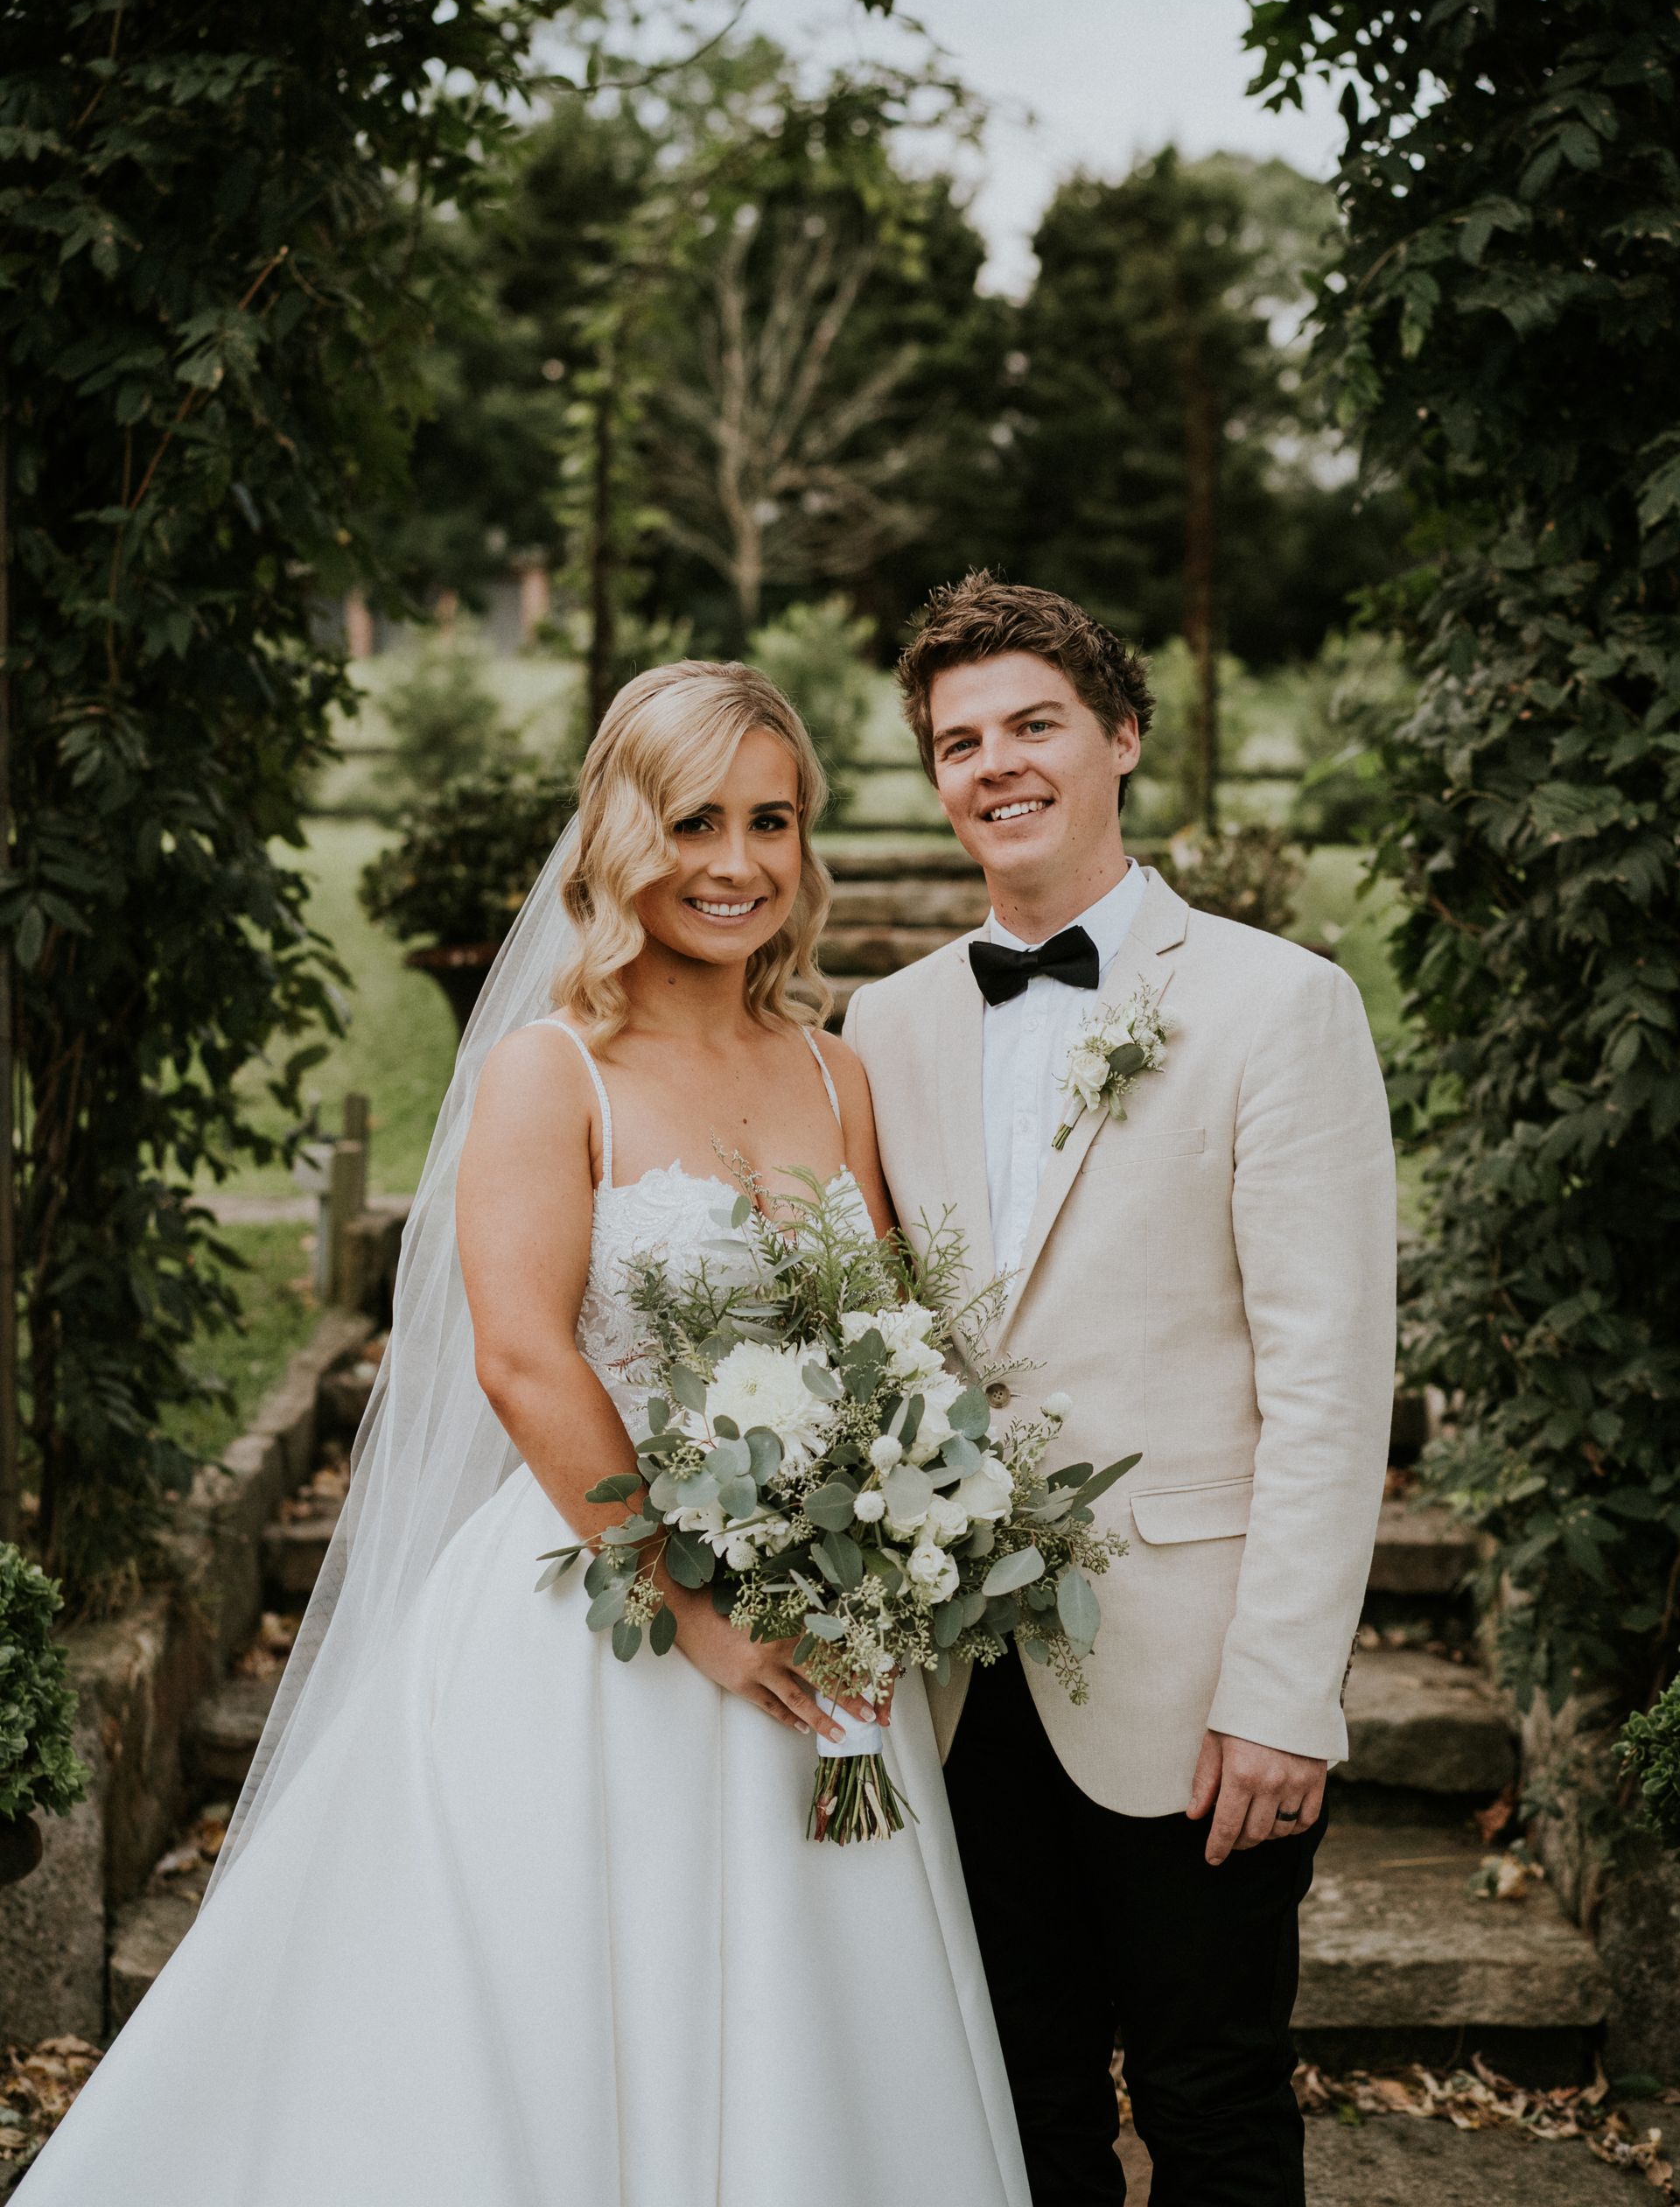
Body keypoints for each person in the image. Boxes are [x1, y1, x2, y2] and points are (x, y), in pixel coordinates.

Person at [22, 662, 1029, 2207]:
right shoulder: (549, 1073)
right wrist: (695, 1610)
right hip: (605, 1622)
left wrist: (886, 1543)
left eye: (774, 821)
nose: (739, 863)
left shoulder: (837, 1070)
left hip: (823, 1632)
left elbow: (877, 1333)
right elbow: (522, 1360)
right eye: (696, 820)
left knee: (811, 2021)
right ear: (623, 833)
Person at [844, 573, 1396, 2207]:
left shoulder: (1277, 1004)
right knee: (1015, 2122)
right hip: (961, 1682)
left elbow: (1330, 1377)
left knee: (1215, 2108)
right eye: (959, 741)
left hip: (1194, 1684)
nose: (995, 765)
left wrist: (1284, 1691)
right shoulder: (886, 1024)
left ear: (1122, 738)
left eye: (1034, 724)